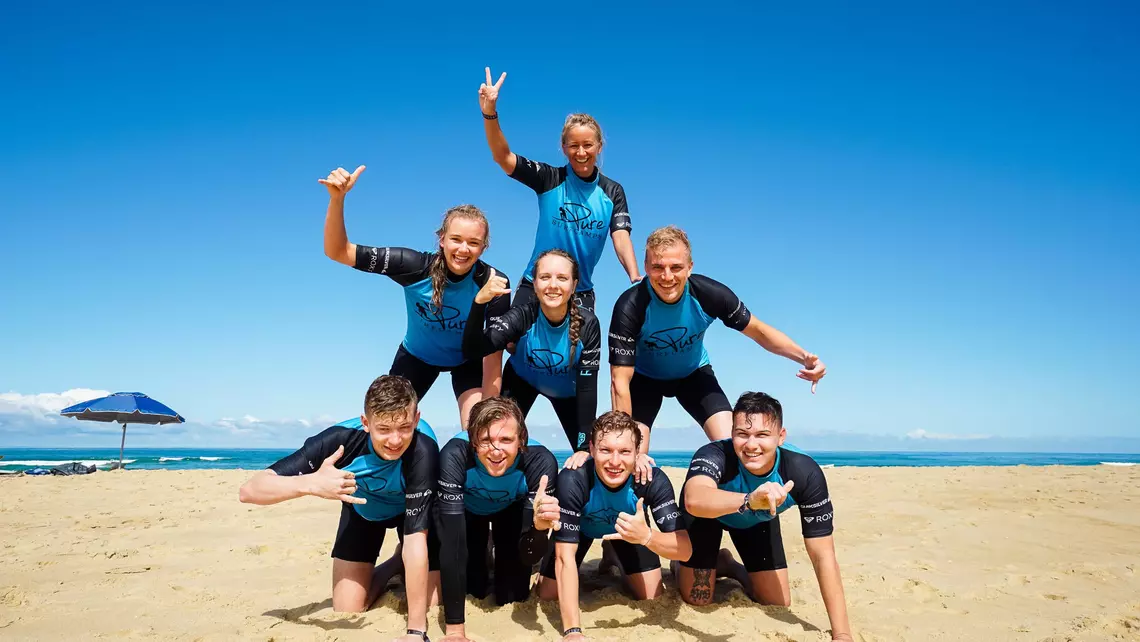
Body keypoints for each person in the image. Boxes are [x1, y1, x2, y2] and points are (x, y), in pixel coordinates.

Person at [606, 225, 827, 481]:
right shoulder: (630, 306)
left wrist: (805, 358)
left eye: (676, 267)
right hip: (645, 381)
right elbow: (619, 381)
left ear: (690, 267)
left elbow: (759, 331)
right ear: (646, 267)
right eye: (658, 267)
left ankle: (743, 511)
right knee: (630, 456)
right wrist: (626, 443)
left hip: (693, 375)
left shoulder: (709, 294)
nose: (667, 276)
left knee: (733, 447)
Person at [238, 375, 441, 642]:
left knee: (431, 602)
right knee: (348, 608)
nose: (395, 440)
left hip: (413, 511)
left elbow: (416, 538)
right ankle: (394, 562)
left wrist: (416, 631)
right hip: (363, 510)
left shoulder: (423, 449)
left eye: (404, 427)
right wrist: (311, 484)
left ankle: (407, 560)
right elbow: (250, 490)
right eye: (384, 429)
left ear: (416, 419)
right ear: (366, 423)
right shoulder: (340, 441)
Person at [320, 165, 510, 428]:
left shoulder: (493, 283)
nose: (463, 249)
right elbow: (338, 251)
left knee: (477, 429)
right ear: (441, 239)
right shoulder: (412, 266)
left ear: (484, 246)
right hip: (417, 357)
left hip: (469, 361)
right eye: (456, 239)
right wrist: (337, 198)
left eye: (474, 242)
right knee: (387, 424)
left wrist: (487, 421)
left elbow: (492, 356)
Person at [676, 392, 853, 642]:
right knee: (699, 598)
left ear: (780, 437)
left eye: (762, 435)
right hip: (708, 515)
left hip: (754, 522)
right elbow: (694, 500)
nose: (751, 445)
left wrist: (842, 634)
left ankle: (727, 564)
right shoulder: (714, 453)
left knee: (776, 601)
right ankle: (681, 564)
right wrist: (750, 501)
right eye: (742, 434)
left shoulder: (803, 472)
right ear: (732, 433)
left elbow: (823, 555)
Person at [478, 67, 640, 312]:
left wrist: (634, 275)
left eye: (588, 145)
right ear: (563, 148)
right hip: (535, 284)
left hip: (580, 292)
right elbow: (503, 157)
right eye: (574, 145)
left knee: (578, 351)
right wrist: (489, 113)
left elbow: (620, 237)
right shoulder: (550, 178)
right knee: (511, 344)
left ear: (599, 146)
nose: (581, 152)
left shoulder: (612, 191)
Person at [537, 411, 691, 642]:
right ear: (591, 449)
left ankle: (614, 555)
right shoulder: (574, 479)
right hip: (582, 531)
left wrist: (647, 536)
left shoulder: (651, 480)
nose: (615, 462)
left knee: (651, 596)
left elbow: (685, 549)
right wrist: (573, 632)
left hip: (630, 534)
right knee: (546, 594)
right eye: (605, 450)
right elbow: (564, 558)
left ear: (638, 452)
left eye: (625, 451)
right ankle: (611, 554)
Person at [435, 396, 562, 642]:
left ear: (521, 440)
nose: (496, 450)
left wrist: (538, 529)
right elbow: (453, 546)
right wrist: (455, 631)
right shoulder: (454, 455)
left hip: (512, 511)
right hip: (467, 513)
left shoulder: (541, 462)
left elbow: (531, 554)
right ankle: (485, 547)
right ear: (473, 441)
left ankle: (495, 545)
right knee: (473, 587)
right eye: (486, 440)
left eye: (506, 440)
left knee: (512, 595)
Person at [461, 249, 601, 452]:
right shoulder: (522, 316)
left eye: (562, 278)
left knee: (587, 453)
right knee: (496, 442)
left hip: (568, 394)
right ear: (534, 284)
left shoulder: (588, 324)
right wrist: (478, 304)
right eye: (545, 277)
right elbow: (472, 349)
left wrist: (583, 448)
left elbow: (587, 389)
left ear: (574, 285)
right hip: (521, 382)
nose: (553, 285)